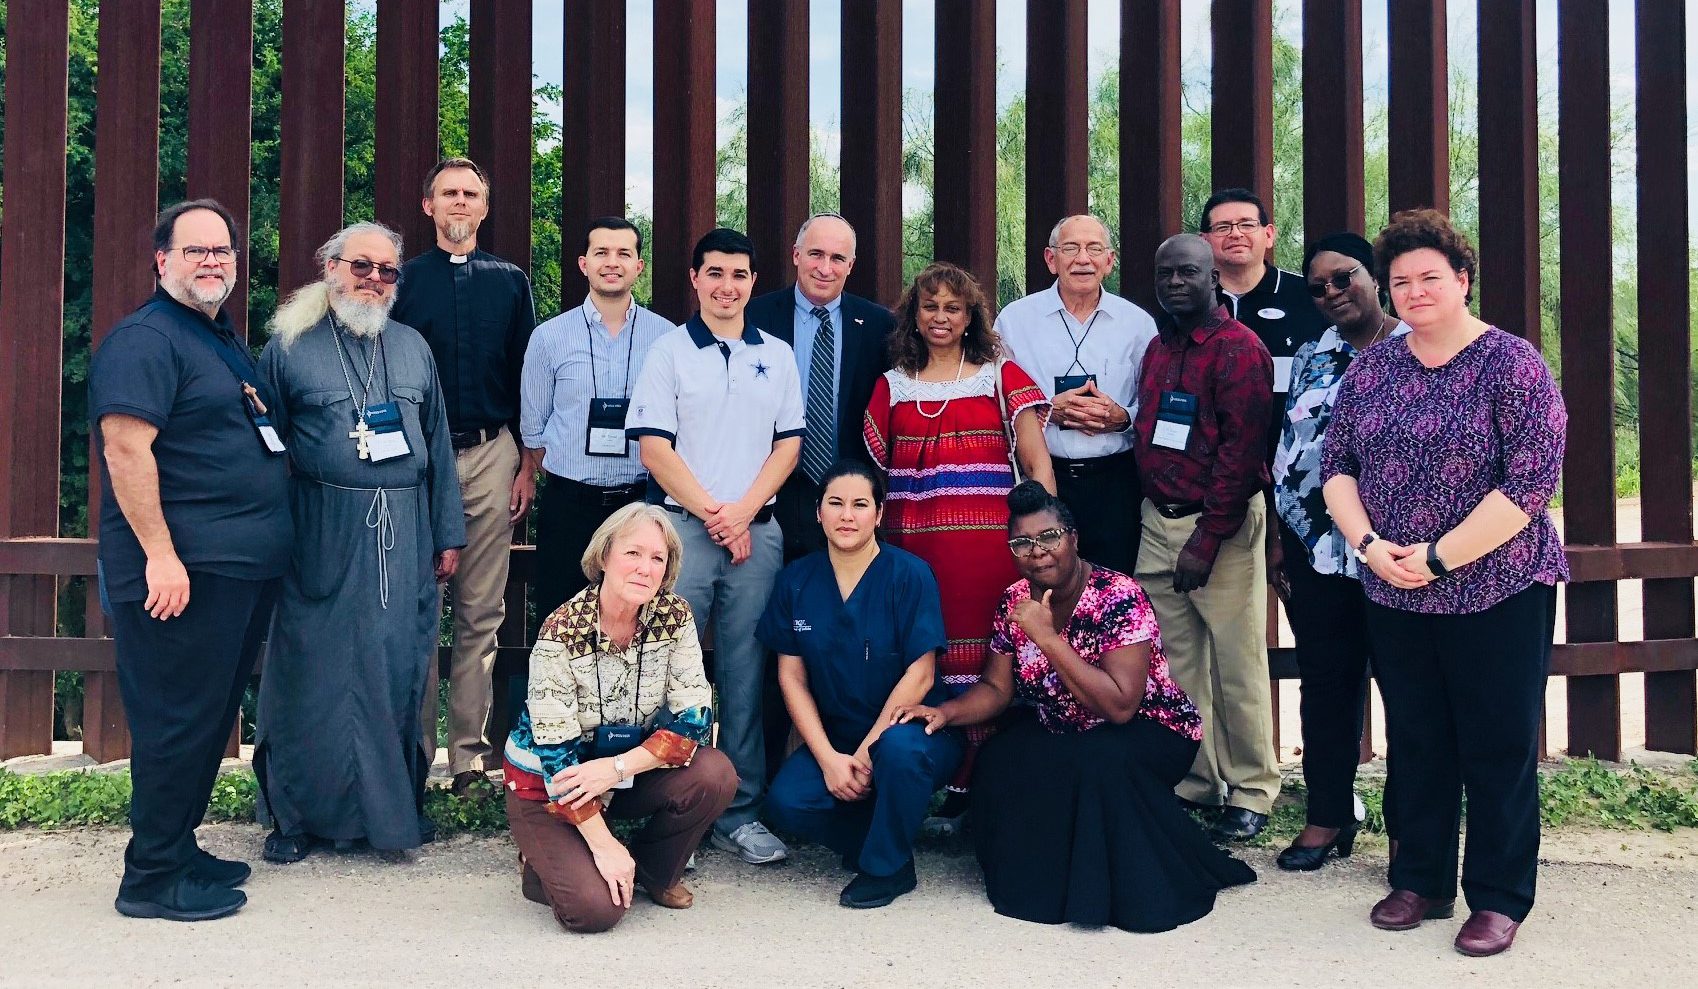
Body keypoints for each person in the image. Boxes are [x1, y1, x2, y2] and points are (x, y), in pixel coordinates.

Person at [1322, 209, 1568, 958]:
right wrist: (1368, 545)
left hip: (1497, 585)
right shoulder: (1374, 367)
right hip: (1393, 587)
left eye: (1431, 276)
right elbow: (1337, 466)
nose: (1415, 290)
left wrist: (1436, 556)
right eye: (1401, 280)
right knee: (1419, 739)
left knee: (1496, 743)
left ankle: (1497, 896)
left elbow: (1529, 483)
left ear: (1462, 280)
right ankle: (1421, 879)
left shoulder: (1512, 362)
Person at [893, 482, 1255, 932]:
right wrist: (945, 713)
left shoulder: (1118, 595)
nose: (1037, 552)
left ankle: (1115, 889)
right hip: (1066, 727)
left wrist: (1046, 637)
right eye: (1022, 543)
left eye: (1049, 538)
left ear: (1073, 538)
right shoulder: (1014, 601)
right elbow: (996, 688)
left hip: (1151, 729)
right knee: (1002, 760)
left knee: (1096, 762)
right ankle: (1041, 886)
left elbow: (1120, 706)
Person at [92, 200, 292, 921]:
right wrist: (160, 556)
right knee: (176, 720)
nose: (212, 261)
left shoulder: (214, 336)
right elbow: (125, 448)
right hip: (183, 574)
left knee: (207, 719)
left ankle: (177, 847)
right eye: (195, 250)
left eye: (222, 251)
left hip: (236, 569)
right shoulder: (146, 339)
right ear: (161, 259)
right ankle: (150, 877)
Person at [254, 222, 467, 863]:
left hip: (404, 535)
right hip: (319, 529)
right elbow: (264, 452)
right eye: (361, 266)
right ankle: (295, 817)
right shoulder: (289, 348)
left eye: (387, 271)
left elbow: (439, 445)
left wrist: (448, 533)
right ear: (331, 267)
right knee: (308, 672)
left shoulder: (411, 349)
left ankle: (393, 811)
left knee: (396, 669)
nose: (373, 279)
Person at [625, 227, 805, 865]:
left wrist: (744, 513)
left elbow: (789, 444)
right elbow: (654, 448)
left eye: (740, 275)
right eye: (715, 274)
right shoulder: (669, 353)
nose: (728, 286)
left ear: (754, 282)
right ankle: (672, 808)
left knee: (744, 671)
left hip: (758, 535)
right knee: (668, 672)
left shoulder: (777, 355)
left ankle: (741, 809)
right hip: (681, 536)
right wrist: (714, 515)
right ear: (695, 279)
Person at [862, 261, 1054, 834]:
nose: (941, 317)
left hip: (989, 553)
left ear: (971, 317)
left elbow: (1037, 465)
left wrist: (1045, 544)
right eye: (930, 307)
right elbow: (874, 475)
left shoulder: (1000, 375)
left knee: (990, 665)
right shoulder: (892, 384)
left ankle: (982, 792)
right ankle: (925, 783)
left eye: (953, 307)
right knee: (926, 657)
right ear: (913, 317)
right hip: (912, 555)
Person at [502, 503, 737, 933]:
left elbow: (695, 719)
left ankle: (652, 871)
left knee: (714, 773)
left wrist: (616, 768)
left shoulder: (675, 616)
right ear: (605, 555)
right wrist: (604, 844)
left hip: (619, 771)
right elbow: (557, 763)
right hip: (549, 785)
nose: (644, 568)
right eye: (633, 553)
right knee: (595, 912)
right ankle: (547, 864)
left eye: (657, 558)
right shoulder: (560, 632)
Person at [391, 156, 537, 798]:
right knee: (420, 608)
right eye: (447, 192)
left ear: (484, 208)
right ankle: (412, 755)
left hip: (491, 454)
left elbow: (529, 379)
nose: (459, 203)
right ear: (429, 207)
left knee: (482, 610)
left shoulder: (510, 282)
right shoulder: (400, 282)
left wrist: (528, 464)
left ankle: (470, 759)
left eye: (470, 194)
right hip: (417, 460)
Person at [758, 461, 963, 908]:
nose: (846, 515)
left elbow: (921, 673)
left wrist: (866, 753)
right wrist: (830, 759)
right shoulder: (797, 581)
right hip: (838, 737)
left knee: (899, 754)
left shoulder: (909, 575)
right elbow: (791, 678)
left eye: (859, 504)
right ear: (818, 514)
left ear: (879, 513)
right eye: (835, 503)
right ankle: (880, 837)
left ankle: (886, 869)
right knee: (787, 802)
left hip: (914, 734)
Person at [1131, 234, 1280, 842]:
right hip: (1156, 520)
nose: (1174, 283)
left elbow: (1242, 456)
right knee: (1177, 665)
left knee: (1239, 665)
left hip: (1217, 526)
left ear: (1214, 275)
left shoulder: (1240, 351)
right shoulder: (1158, 347)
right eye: (1165, 274)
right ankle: (1197, 781)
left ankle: (1251, 790)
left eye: (1187, 272)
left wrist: (1206, 539)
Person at [1270, 232, 1408, 872]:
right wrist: (1280, 538)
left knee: (1409, 689)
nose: (1330, 292)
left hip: (1401, 555)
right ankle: (1328, 816)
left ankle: (1414, 827)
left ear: (1374, 276)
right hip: (1320, 552)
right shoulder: (1312, 356)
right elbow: (1289, 454)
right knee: (1326, 686)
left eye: (1343, 277)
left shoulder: (1417, 351)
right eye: (1318, 286)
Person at [521, 216, 673, 621]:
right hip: (569, 502)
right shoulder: (549, 337)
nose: (612, 261)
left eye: (624, 253)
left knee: (636, 622)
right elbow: (534, 429)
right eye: (601, 252)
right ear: (583, 263)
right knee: (559, 619)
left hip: (639, 503)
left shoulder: (665, 339)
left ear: (639, 266)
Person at [996, 215, 1158, 576]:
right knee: (1046, 584)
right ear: (1051, 260)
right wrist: (1045, 412)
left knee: (1113, 587)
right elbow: (996, 401)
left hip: (1115, 482)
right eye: (1070, 248)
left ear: (1109, 261)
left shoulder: (1138, 323)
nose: (1082, 259)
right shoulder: (1015, 320)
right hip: (1044, 475)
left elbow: (1154, 402)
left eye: (1094, 249)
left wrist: (1122, 417)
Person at [744, 212, 895, 563]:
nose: (825, 268)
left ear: (851, 265)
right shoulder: (754, 316)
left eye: (837, 258)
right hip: (767, 491)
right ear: (796, 254)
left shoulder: (880, 325)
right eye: (816, 254)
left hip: (847, 495)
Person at [1198, 188, 1328, 404]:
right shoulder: (1190, 303)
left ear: (1268, 235)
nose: (1236, 234)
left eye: (1247, 224)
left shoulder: (1309, 296)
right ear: (1203, 241)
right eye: (1223, 227)